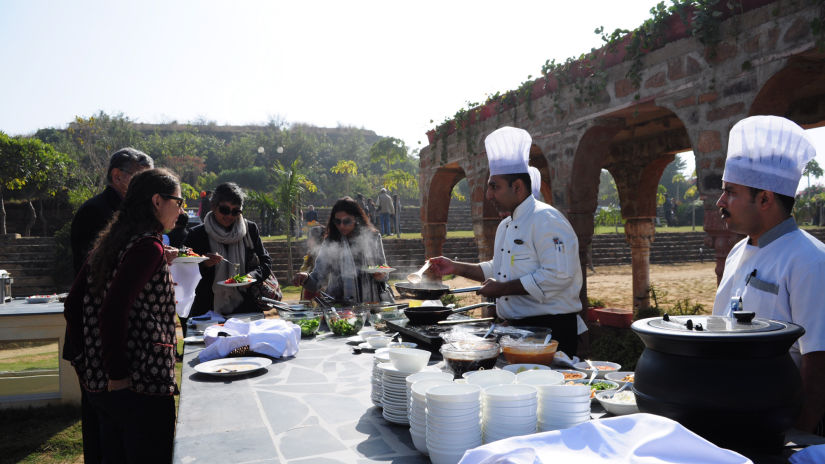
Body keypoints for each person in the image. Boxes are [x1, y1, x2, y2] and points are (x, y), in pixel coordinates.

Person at [711, 115, 825, 434]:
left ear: (765, 198)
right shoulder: (737, 252)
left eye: (730, 192)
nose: (721, 201)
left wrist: (795, 434)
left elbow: (818, 362)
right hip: (733, 414)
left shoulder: (809, 260)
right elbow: (721, 328)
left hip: (780, 426)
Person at [63, 168, 183, 463]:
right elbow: (113, 309)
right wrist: (118, 374)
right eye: (178, 202)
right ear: (157, 201)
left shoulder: (114, 240)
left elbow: (74, 303)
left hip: (102, 383)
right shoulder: (146, 246)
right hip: (139, 384)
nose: (181, 211)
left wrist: (86, 360)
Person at [428, 127, 583, 355]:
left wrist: (503, 289)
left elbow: (557, 275)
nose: (489, 195)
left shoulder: (546, 219)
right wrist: (456, 267)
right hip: (519, 331)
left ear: (517, 187)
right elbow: (499, 268)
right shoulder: (506, 225)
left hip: (551, 330)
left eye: (494, 187)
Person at [66, 146, 153, 464]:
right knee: (101, 421)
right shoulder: (97, 212)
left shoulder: (131, 212)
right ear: (118, 176)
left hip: (121, 329)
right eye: (142, 178)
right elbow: (95, 278)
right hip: (96, 331)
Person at [184, 182, 273, 320]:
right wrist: (204, 264)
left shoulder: (250, 229)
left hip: (246, 307)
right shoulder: (196, 235)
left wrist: (252, 276)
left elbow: (265, 262)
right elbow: (185, 272)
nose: (229, 216)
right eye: (225, 210)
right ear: (213, 207)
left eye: (235, 211)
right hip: (208, 310)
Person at [293, 196, 394, 304]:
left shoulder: (373, 237)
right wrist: (306, 278)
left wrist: (381, 275)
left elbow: (384, 269)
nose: (341, 225)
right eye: (337, 221)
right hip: (340, 307)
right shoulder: (330, 242)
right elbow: (318, 277)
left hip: (371, 305)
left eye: (347, 221)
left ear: (356, 219)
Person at [71, 147, 154, 275]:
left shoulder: (133, 209)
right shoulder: (94, 211)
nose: (147, 186)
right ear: (117, 176)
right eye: (141, 178)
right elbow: (94, 263)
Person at [299, 225, 326, 301]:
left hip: (319, 299)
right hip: (309, 296)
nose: (308, 241)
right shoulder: (311, 254)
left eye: (310, 238)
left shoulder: (322, 256)